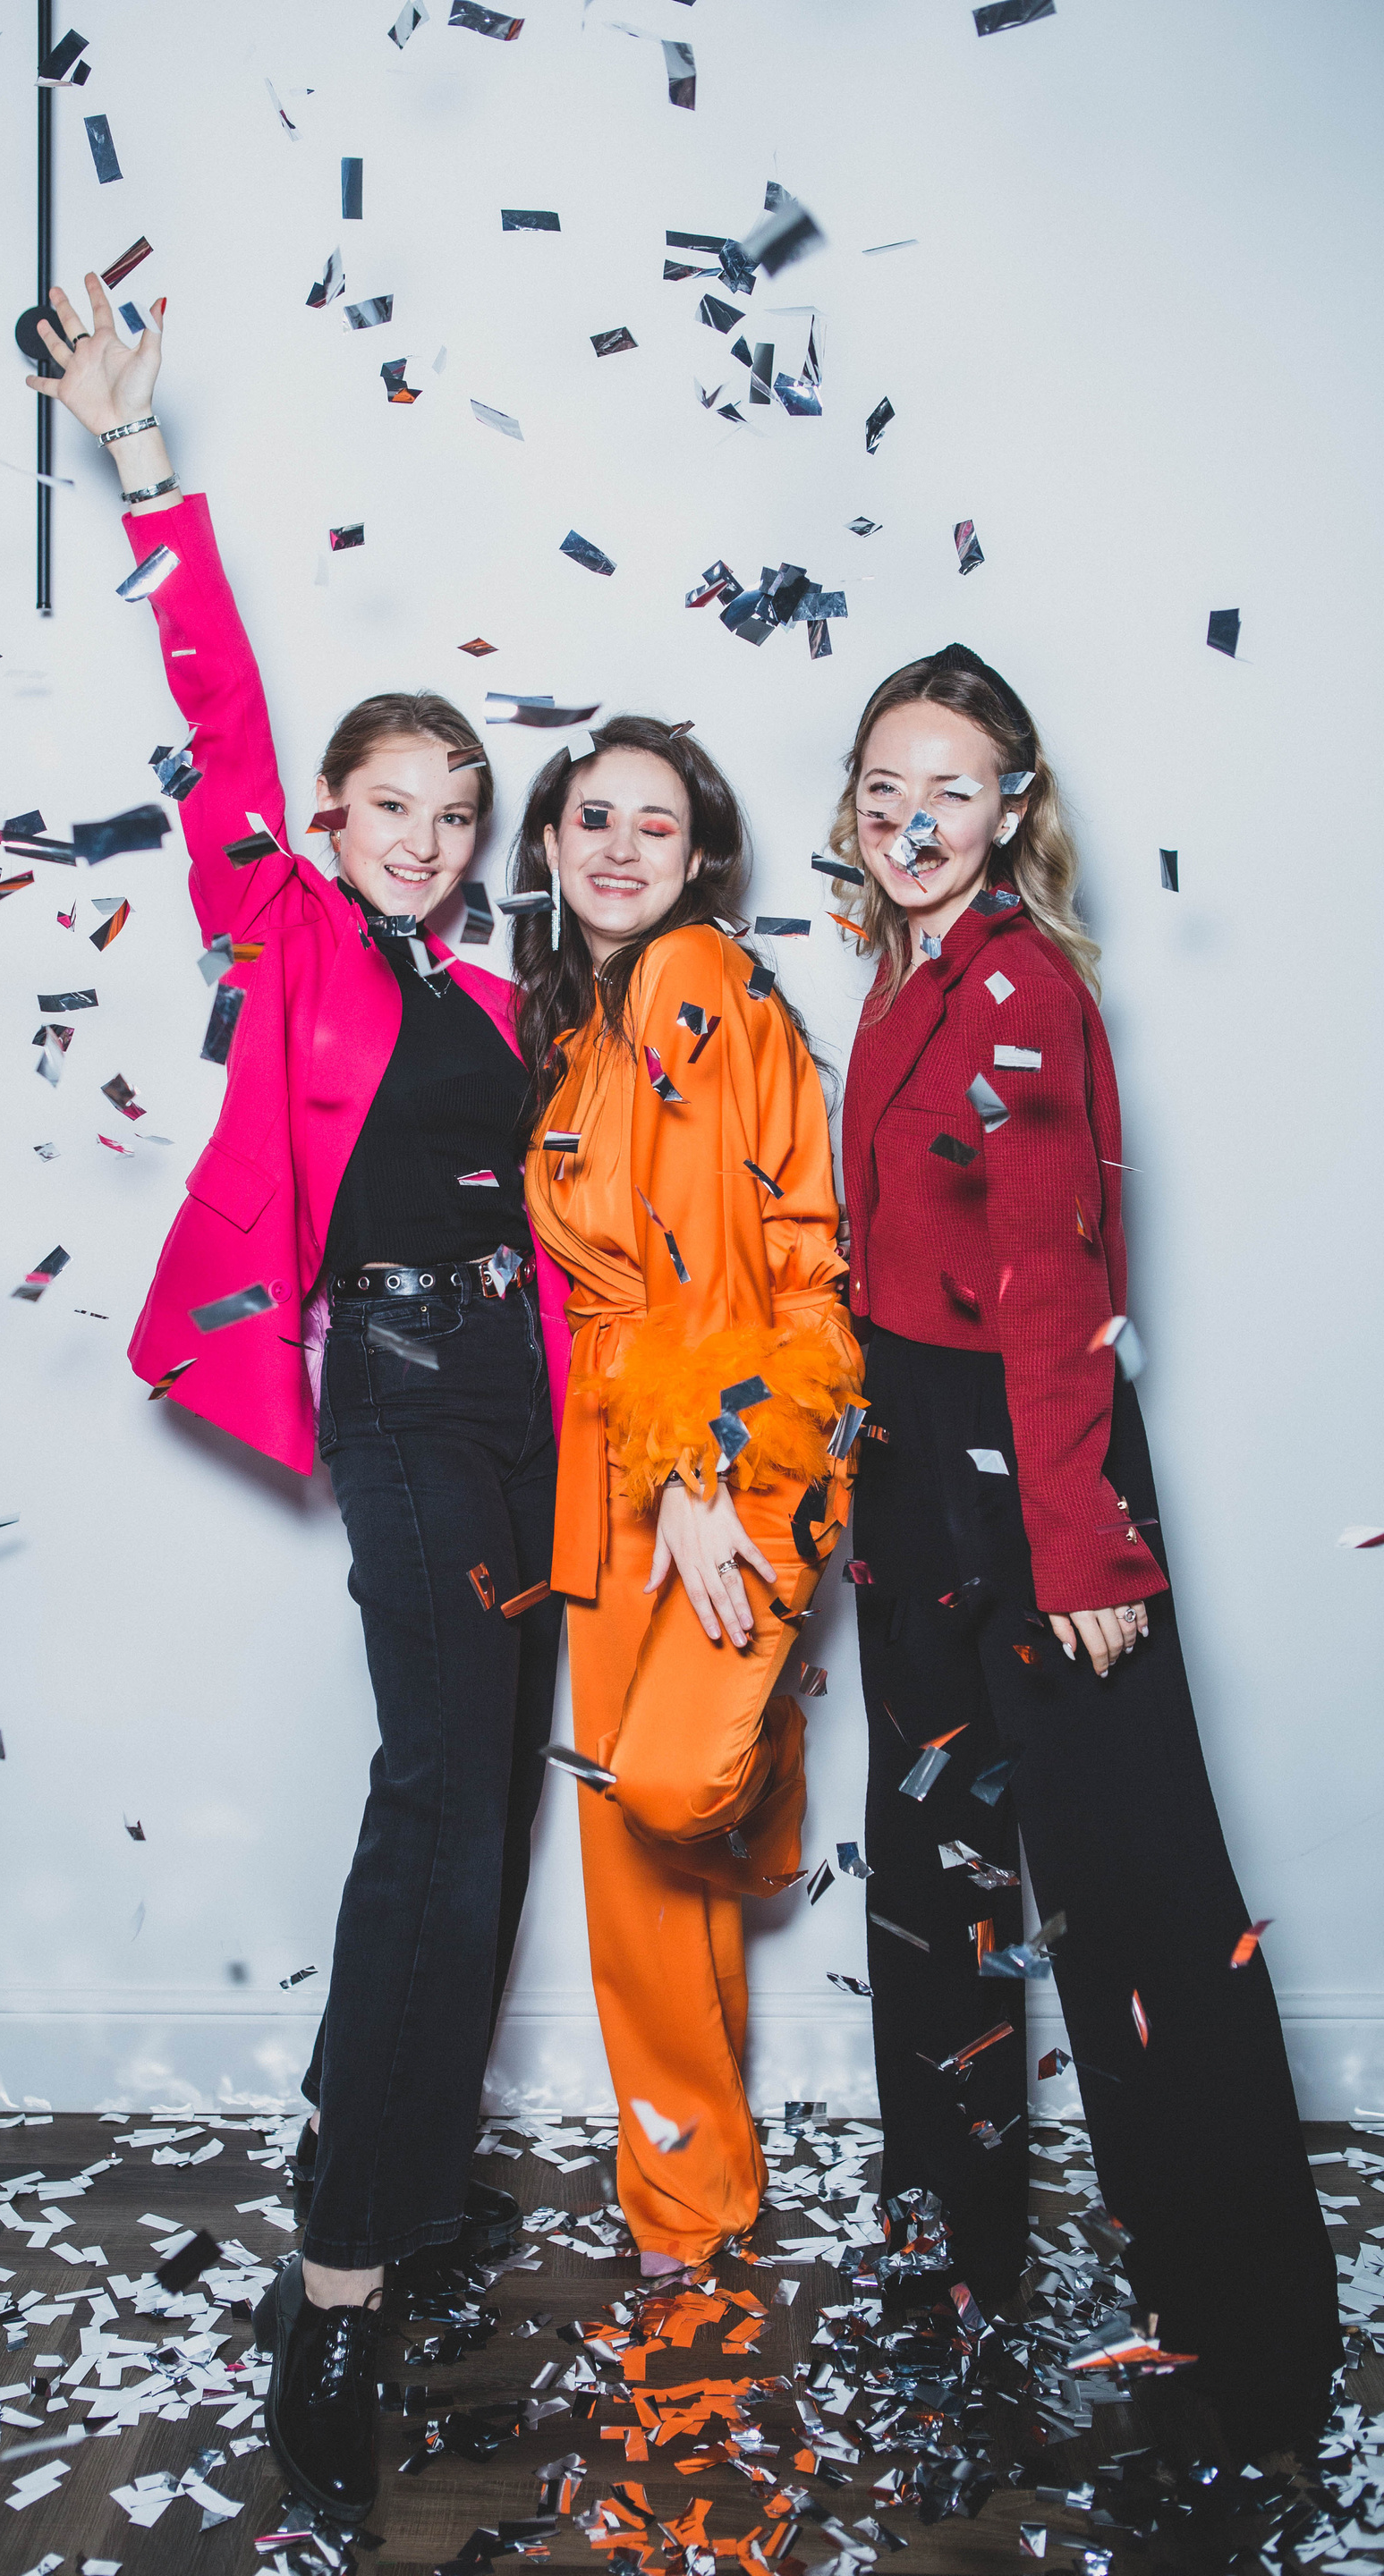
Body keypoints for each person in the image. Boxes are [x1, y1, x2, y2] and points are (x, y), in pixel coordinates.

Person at [25, 276, 573, 2521]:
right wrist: (145, 468)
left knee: (481, 1801)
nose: (427, 835)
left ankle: (397, 2171)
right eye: (393, 804)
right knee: (438, 1805)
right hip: (410, 1392)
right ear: (333, 820)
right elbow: (223, 713)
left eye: (458, 809)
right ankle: (335, 2288)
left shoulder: (492, 990)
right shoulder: (292, 935)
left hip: (528, 1405)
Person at [835, 641, 1340, 2459]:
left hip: (1034, 1469)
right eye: (886, 787)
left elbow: (1055, 1278)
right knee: (933, 1885)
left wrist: (1084, 1545)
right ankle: (950, 2276)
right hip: (912, 1469)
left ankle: (1246, 2347)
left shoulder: (1025, 986)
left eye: (951, 789)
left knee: (1140, 1906)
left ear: (1012, 809)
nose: (914, 819)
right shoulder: (900, 976)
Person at [515, 717, 864, 2275]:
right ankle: (688, 2200)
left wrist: (702, 1475)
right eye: (594, 817)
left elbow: (717, 1261)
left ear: (703, 856)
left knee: (665, 1792)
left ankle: (761, 1768)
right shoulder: (582, 1024)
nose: (620, 848)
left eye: (656, 825)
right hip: (609, 1450)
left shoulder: (689, 977)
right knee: (633, 1854)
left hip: (724, 1444)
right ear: (547, 842)